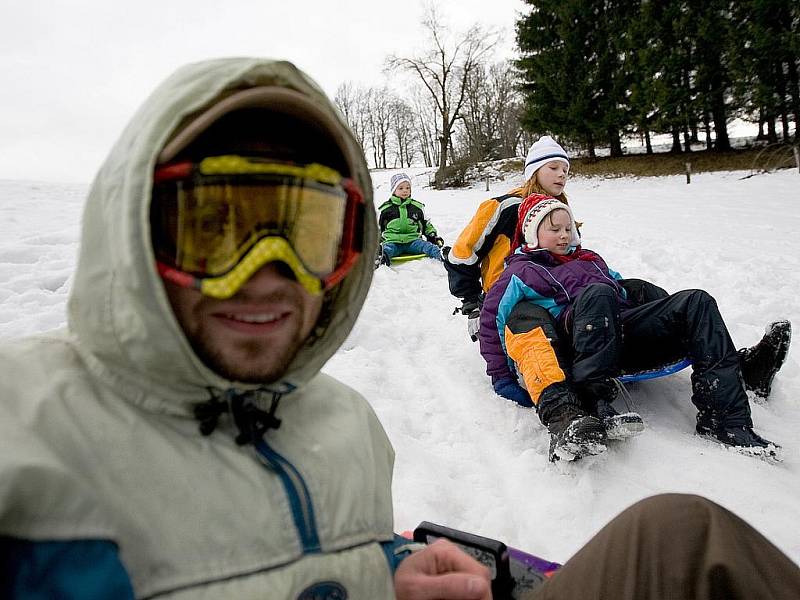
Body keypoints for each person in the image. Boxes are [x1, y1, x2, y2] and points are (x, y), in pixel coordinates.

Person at [2, 59, 799, 600]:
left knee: (685, 533)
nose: (268, 272)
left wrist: (394, 569)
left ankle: (730, 379)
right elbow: (470, 268)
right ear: (130, 227)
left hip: (597, 318)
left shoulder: (345, 426)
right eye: (214, 223)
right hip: (535, 323)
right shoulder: (31, 435)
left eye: (306, 229)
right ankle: (574, 404)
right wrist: (481, 295)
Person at [479, 194, 790, 462]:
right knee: (599, 294)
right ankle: (595, 401)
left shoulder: (590, 259)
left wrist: (652, 307)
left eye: (568, 228)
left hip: (618, 329)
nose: (564, 235)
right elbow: (493, 319)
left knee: (695, 301)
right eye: (554, 229)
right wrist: (501, 376)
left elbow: (621, 288)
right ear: (532, 234)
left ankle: (724, 419)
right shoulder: (521, 271)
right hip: (576, 340)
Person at [444, 135, 570, 340]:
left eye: (565, 170)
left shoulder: (560, 211)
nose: (562, 175)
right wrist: (471, 302)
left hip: (552, 292)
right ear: (534, 172)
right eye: (553, 168)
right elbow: (462, 253)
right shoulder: (506, 207)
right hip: (506, 298)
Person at [377, 172, 444, 266]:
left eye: (407, 188)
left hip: (413, 241)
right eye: (401, 188)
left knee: (428, 247)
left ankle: (443, 256)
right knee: (387, 250)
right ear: (393, 190)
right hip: (392, 241)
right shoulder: (385, 209)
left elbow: (426, 224)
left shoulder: (417, 207)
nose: (405, 191)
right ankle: (381, 259)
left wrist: (432, 235)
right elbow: (378, 228)